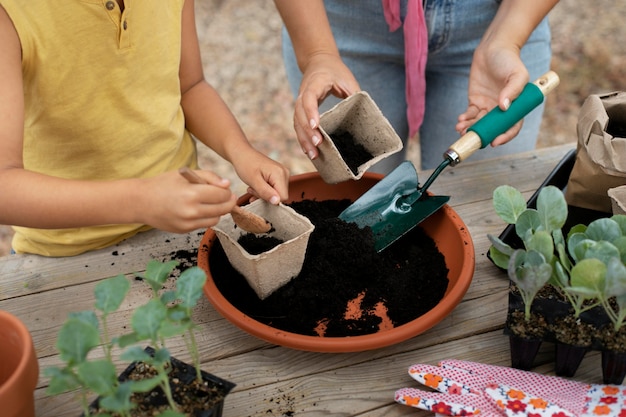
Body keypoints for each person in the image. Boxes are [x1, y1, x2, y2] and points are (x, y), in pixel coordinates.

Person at [0, 0, 290, 256]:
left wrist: (241, 152)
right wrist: (140, 200)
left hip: (181, 228)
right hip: (66, 253)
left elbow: (189, 86)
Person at [274, 0, 559, 172]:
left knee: (480, 206)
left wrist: (505, 40)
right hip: (339, 26)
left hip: (500, 17)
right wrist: (318, 54)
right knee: (357, 201)